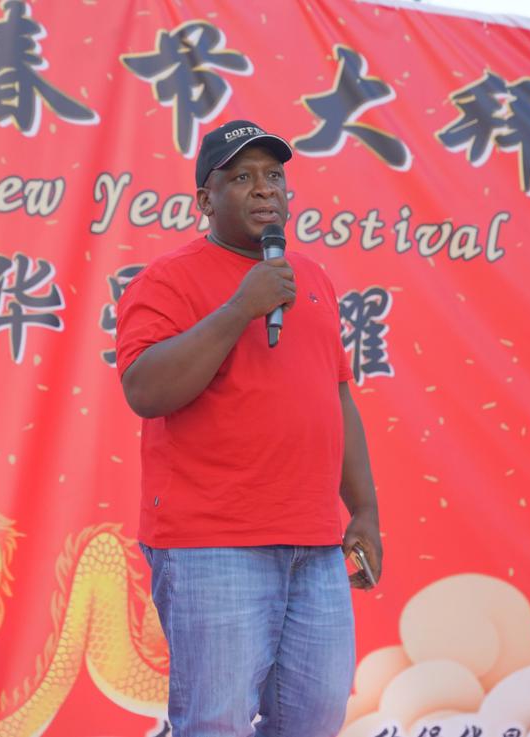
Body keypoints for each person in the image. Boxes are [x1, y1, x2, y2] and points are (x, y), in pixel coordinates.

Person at [115, 119, 382, 736]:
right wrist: (242, 306)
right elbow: (145, 390)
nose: (264, 189)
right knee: (217, 724)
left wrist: (364, 510)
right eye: (241, 177)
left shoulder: (311, 278)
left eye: (274, 176)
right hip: (214, 542)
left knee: (314, 719)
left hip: (314, 542)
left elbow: (336, 396)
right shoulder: (167, 279)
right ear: (205, 200)